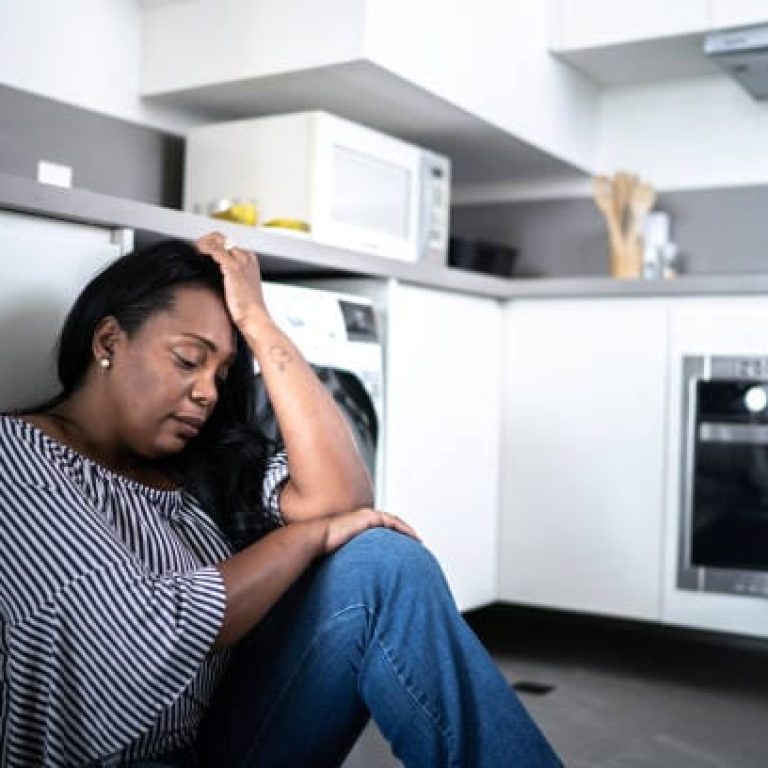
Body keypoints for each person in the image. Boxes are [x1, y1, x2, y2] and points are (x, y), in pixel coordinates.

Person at [0, 232, 562, 767]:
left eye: (222, 373)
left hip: (218, 740)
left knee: (386, 563)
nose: (207, 393)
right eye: (188, 360)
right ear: (108, 342)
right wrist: (307, 537)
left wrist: (259, 321)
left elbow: (344, 499)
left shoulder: (196, 466)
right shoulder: (21, 457)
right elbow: (142, 631)